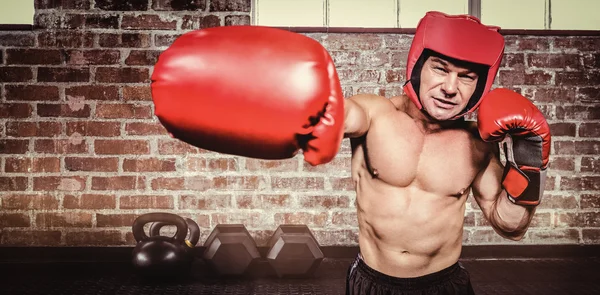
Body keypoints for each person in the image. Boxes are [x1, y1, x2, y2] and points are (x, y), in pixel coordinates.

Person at [150, 10, 551, 295]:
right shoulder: (375, 113)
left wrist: (530, 160)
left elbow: (511, 224)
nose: (450, 88)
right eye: (441, 69)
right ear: (418, 66)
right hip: (373, 283)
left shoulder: (478, 145)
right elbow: (339, 115)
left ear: (481, 86)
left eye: (466, 78)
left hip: (445, 284)